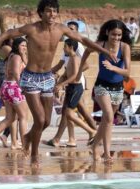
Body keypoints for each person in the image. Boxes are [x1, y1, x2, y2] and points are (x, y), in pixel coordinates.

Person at [0, 0, 116, 164]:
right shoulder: (32, 29)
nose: (52, 14)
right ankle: (34, 155)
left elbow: (83, 40)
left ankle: (27, 138)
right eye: (48, 11)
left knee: (47, 121)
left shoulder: (61, 29)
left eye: (55, 11)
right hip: (30, 78)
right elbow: (8, 34)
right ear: (41, 13)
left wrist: (104, 51)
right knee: (40, 119)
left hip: (48, 78)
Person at [79, 19, 131, 163]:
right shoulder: (101, 45)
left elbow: (127, 72)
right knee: (108, 116)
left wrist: (113, 67)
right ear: (107, 33)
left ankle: (95, 145)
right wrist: (79, 70)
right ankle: (107, 154)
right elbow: (87, 51)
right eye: (114, 34)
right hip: (101, 85)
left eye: (119, 35)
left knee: (107, 121)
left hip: (118, 88)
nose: (116, 38)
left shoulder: (125, 47)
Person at [45, 20, 97, 147]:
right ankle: (69, 139)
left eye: (72, 29)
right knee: (68, 112)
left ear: (77, 31)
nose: (70, 31)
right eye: (68, 29)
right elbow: (61, 65)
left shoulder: (76, 46)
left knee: (74, 112)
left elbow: (84, 65)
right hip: (71, 84)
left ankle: (94, 132)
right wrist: (48, 73)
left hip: (77, 84)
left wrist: (73, 75)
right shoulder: (67, 48)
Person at [0, 37, 28, 152]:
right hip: (14, 87)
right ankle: (25, 145)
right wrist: (23, 88)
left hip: (7, 87)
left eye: (25, 46)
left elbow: (26, 69)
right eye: (22, 45)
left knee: (10, 118)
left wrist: (24, 57)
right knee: (23, 117)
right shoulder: (16, 57)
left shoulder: (13, 56)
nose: (24, 48)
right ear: (16, 46)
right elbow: (16, 74)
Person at [53, 39, 96, 146]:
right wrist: (57, 84)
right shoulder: (70, 59)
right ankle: (69, 139)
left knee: (69, 113)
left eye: (65, 47)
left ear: (71, 47)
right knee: (67, 113)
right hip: (71, 88)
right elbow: (66, 74)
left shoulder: (75, 58)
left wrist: (61, 84)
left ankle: (91, 131)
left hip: (76, 88)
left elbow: (74, 77)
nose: (63, 49)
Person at [0, 39, 14, 146]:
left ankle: (8, 136)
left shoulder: (2, 49)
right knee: (15, 112)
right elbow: (19, 57)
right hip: (5, 78)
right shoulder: (7, 49)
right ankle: (5, 135)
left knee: (14, 112)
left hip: (2, 78)